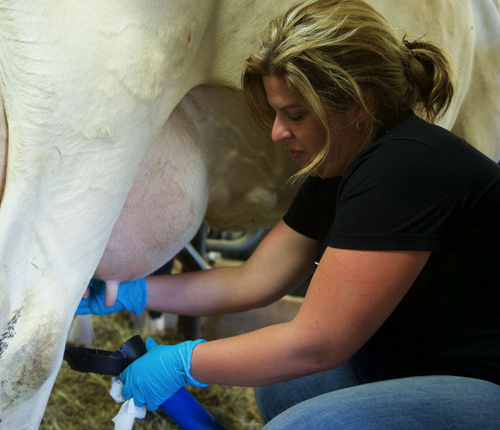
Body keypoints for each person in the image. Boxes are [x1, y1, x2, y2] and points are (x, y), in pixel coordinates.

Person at [77, 0, 500, 427]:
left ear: (358, 104)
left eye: (294, 114)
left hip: (485, 387)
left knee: (298, 425)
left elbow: (317, 344)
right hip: (410, 364)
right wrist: (130, 291)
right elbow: (251, 280)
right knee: (284, 388)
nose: (278, 132)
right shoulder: (338, 167)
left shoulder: (407, 167)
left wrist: (185, 362)